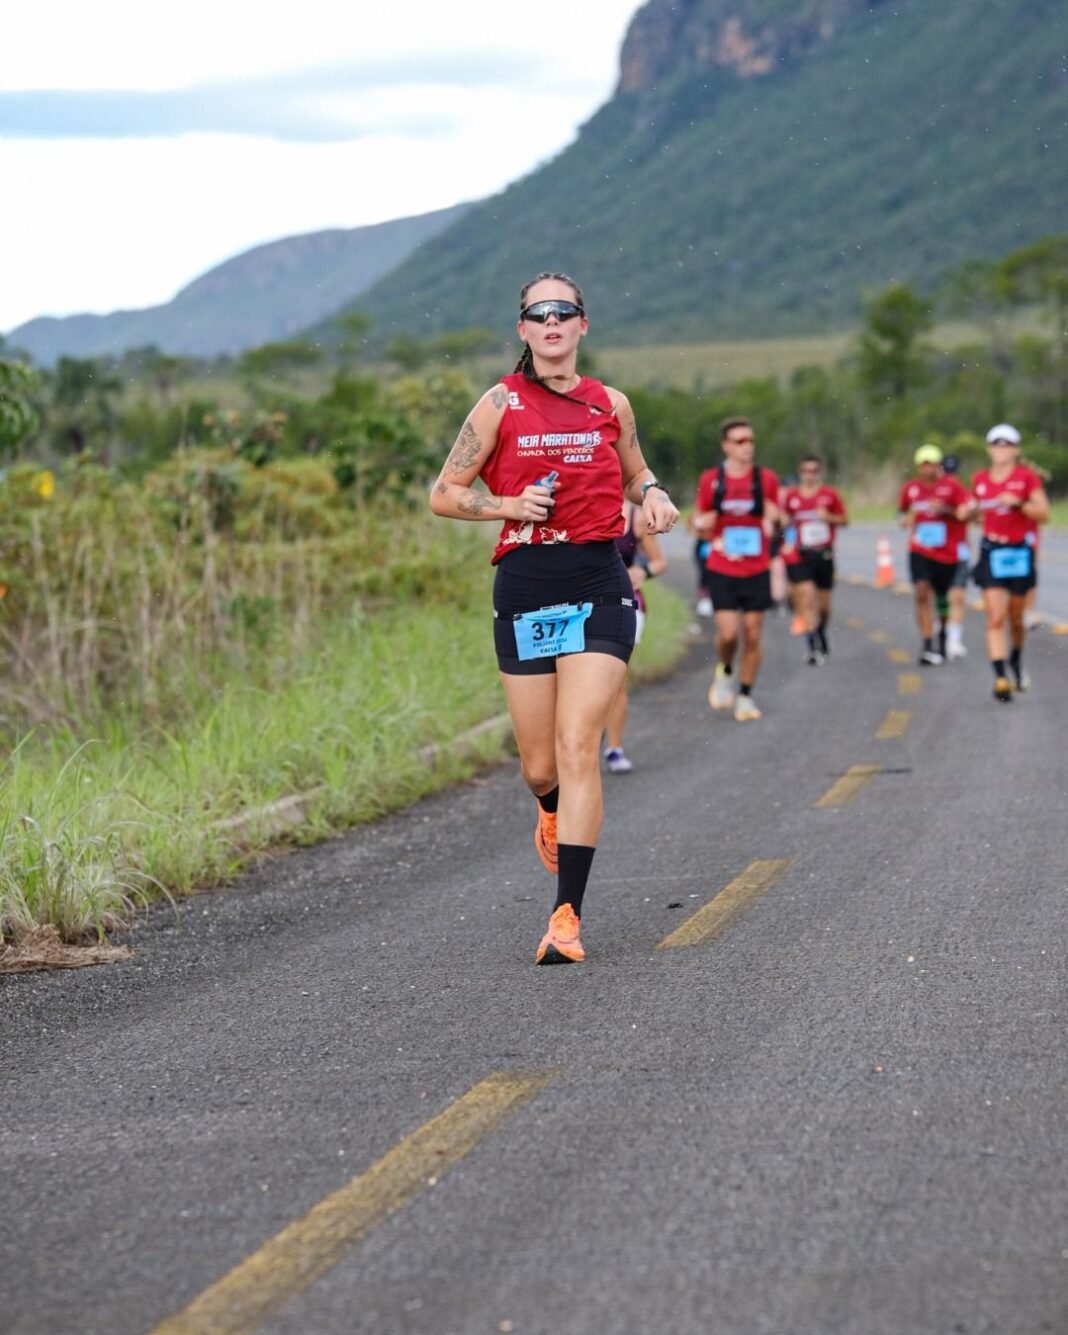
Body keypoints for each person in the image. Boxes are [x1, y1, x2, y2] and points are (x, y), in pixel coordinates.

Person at [429, 271, 678, 964]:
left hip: (599, 584)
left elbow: (637, 473)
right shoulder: (499, 404)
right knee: (540, 764)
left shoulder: (611, 404)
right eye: (538, 313)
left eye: (564, 311)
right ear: (524, 330)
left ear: (582, 325)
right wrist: (508, 507)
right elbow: (445, 493)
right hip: (526, 587)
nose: (552, 322)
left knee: (578, 747)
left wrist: (654, 498)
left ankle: (566, 915)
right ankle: (548, 808)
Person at [692, 417, 781, 721]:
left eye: (751, 440)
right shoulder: (712, 480)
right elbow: (698, 522)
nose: (747, 447)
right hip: (722, 567)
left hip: (757, 567)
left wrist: (775, 518)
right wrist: (703, 526)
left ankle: (745, 695)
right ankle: (726, 669)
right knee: (729, 634)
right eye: (740, 441)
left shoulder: (765, 479)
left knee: (753, 634)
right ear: (726, 446)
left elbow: (779, 522)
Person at [967, 423, 1050, 702]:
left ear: (1016, 449)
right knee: (995, 616)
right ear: (989, 449)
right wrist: (970, 512)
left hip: (1019, 554)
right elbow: (972, 514)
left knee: (1015, 618)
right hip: (992, 550)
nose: (1001, 449)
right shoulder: (979, 479)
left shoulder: (1026, 478)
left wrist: (1019, 504)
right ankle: (1000, 677)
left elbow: (1044, 513)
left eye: (1007, 445)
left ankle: (1015, 658)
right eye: (996, 444)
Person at [603, 502, 668, 773]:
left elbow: (659, 560)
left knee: (615, 679)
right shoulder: (576, 504)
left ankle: (614, 749)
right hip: (581, 605)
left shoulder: (635, 517)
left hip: (626, 604)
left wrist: (644, 571)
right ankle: (577, 745)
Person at [897, 444, 970, 666]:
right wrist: (904, 519)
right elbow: (902, 511)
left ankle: (944, 633)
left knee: (944, 599)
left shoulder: (951, 487)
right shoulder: (911, 488)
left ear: (938, 465)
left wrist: (945, 510)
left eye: (932, 463)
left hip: (947, 553)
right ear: (919, 466)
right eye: (924, 464)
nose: (928, 468)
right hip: (920, 550)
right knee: (921, 593)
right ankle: (928, 644)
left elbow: (965, 512)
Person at [779, 454, 848, 664]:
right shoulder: (792, 497)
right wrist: (782, 527)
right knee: (807, 599)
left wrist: (829, 517)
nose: (810, 475)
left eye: (814, 471)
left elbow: (845, 520)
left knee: (824, 606)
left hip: (824, 554)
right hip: (802, 554)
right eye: (806, 471)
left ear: (819, 473)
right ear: (800, 473)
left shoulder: (829, 495)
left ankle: (821, 630)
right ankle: (813, 646)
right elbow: (783, 521)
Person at [939, 453, 971, 659]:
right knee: (939, 597)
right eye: (946, 472)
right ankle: (939, 632)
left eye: (953, 473)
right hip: (935, 552)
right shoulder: (934, 491)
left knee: (957, 596)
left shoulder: (962, 491)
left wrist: (949, 509)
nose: (950, 477)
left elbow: (966, 513)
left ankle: (954, 639)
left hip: (959, 550)